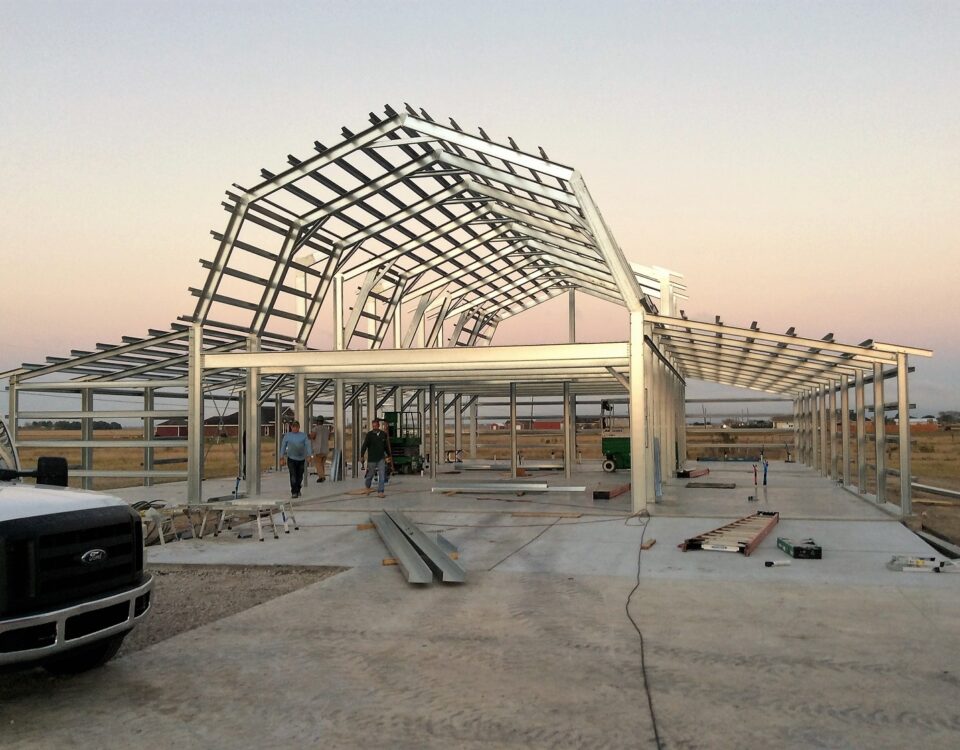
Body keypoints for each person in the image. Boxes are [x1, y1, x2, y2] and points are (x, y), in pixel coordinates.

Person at [359, 418, 391, 498]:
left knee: (382, 475)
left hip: (381, 458)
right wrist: (362, 455)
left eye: (376, 426)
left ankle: (381, 491)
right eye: (373, 426)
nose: (374, 428)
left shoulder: (383, 434)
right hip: (372, 459)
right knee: (370, 475)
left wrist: (388, 455)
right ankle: (367, 487)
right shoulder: (369, 435)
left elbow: (386, 446)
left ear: (378, 426)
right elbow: (364, 446)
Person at [280, 420, 310, 498]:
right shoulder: (288, 435)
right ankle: (294, 491)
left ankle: (298, 489)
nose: (295, 428)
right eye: (293, 426)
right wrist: (281, 457)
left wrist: (310, 455)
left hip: (301, 459)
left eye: (296, 427)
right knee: (293, 475)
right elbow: (283, 446)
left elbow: (307, 445)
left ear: (299, 427)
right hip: (291, 459)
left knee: (299, 476)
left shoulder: (303, 435)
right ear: (291, 427)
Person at [312, 416, 331, 483]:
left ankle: (321, 477)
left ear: (317, 421)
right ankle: (322, 476)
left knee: (318, 463)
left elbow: (313, 436)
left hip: (318, 450)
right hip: (325, 449)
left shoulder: (315, 429)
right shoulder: (327, 429)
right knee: (322, 464)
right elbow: (329, 438)